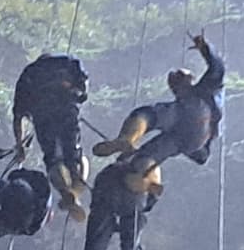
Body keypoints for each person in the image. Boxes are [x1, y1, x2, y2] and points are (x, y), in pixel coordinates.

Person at [93, 33, 224, 194]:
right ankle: (149, 181)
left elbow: (218, 68)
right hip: (191, 142)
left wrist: (205, 48)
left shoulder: (203, 92)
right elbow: (201, 156)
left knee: (147, 115)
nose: (175, 88)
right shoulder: (203, 93)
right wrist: (205, 49)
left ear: (189, 81)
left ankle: (126, 138)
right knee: (148, 156)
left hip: (198, 115)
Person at [9, 53, 92, 215]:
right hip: (67, 109)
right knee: (74, 153)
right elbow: (83, 87)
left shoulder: (29, 72)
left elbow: (18, 116)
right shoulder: (68, 61)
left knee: (53, 159)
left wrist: (20, 145)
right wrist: (76, 94)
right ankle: (76, 189)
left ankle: (64, 191)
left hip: (42, 117)